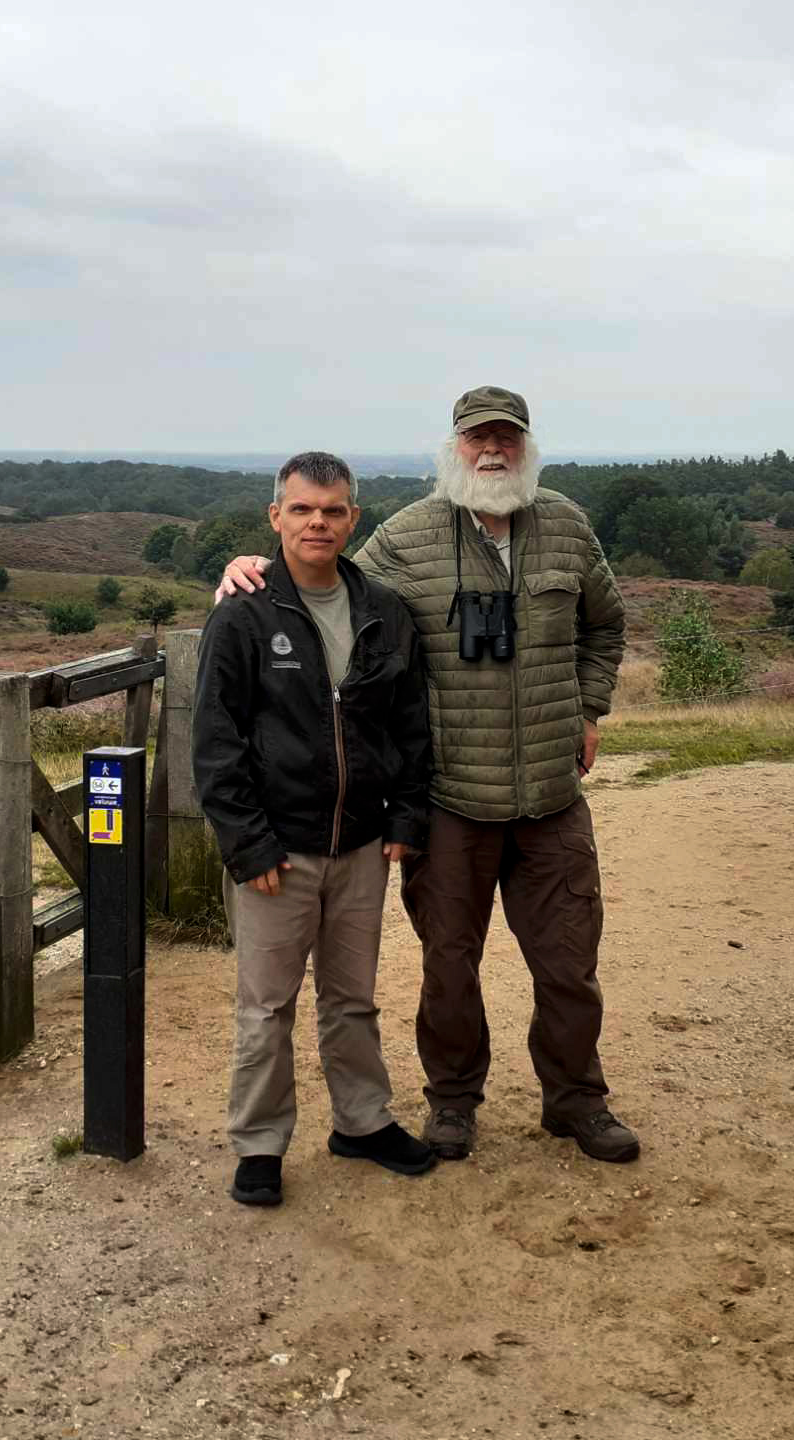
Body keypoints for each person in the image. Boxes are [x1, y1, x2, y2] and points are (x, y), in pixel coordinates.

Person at [218, 387, 637, 1164]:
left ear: (526, 447)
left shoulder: (570, 528)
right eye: (478, 436)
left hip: (550, 797)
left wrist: (589, 705)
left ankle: (578, 1100)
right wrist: (249, 567)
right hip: (451, 801)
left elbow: (605, 623)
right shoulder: (407, 538)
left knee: (570, 964)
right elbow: (322, 576)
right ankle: (452, 1102)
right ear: (453, 447)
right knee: (450, 969)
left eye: (507, 438)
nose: (492, 450)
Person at [193, 451, 438, 1207]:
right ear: (276, 517)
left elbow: (408, 726)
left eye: (333, 510)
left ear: (352, 518)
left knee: (352, 998)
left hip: (362, 845)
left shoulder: (385, 612)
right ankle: (260, 1145)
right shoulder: (242, 614)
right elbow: (215, 739)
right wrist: (246, 842)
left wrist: (407, 812)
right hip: (278, 851)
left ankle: (361, 1124)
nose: (318, 523)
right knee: (267, 1008)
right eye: (302, 510)